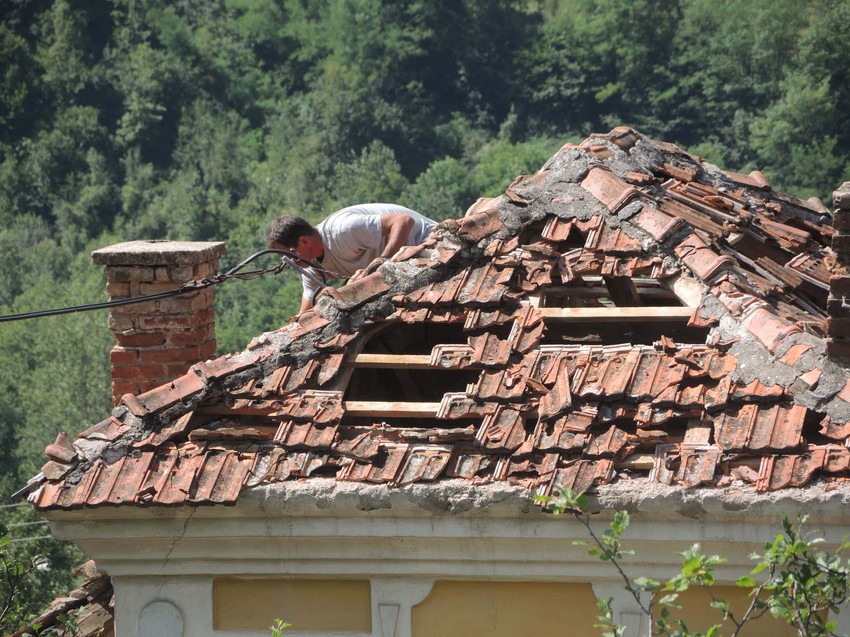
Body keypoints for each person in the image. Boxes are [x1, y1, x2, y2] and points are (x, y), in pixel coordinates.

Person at [268, 203, 436, 313]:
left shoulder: (342, 231)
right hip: (405, 268)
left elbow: (404, 221)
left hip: (429, 244)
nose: (292, 262)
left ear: (303, 241)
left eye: (291, 255)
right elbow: (306, 309)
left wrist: (384, 262)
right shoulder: (312, 267)